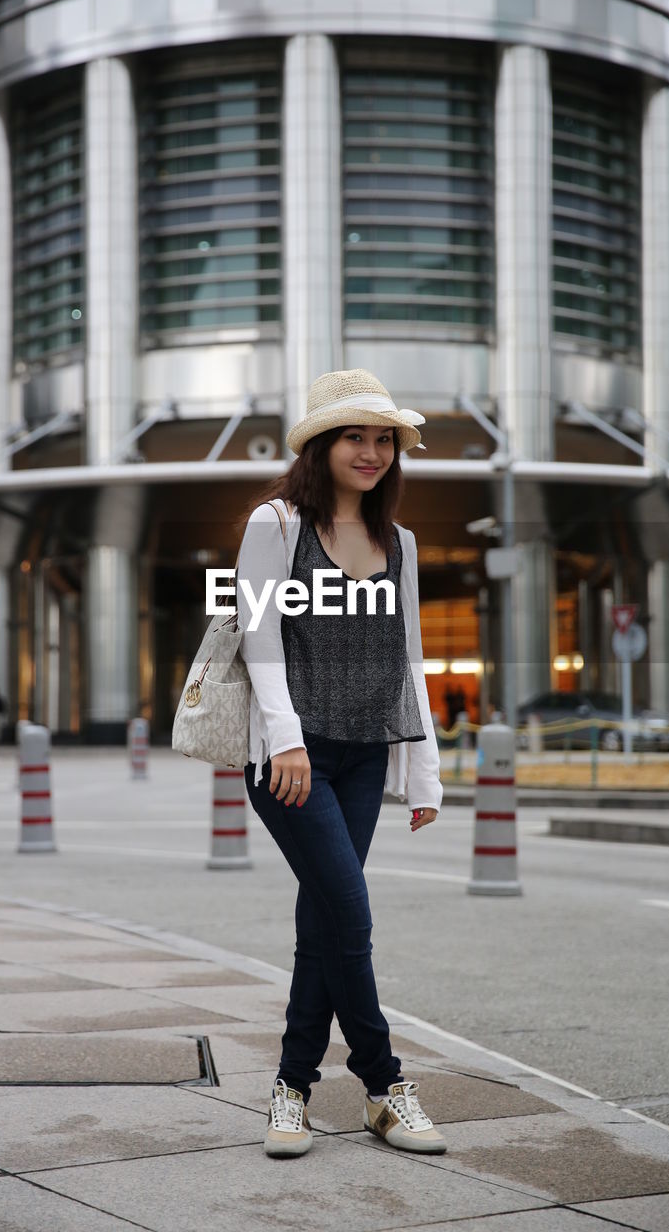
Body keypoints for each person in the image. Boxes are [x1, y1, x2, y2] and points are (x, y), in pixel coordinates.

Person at [235, 369, 446, 1159]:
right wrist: (285, 738)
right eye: (355, 436)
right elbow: (257, 638)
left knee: (324, 922)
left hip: (363, 757)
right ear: (321, 445)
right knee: (350, 919)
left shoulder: (401, 544)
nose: (371, 451)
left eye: (383, 438)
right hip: (292, 759)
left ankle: (290, 1090)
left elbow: (409, 655)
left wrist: (422, 773)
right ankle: (384, 1085)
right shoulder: (276, 524)